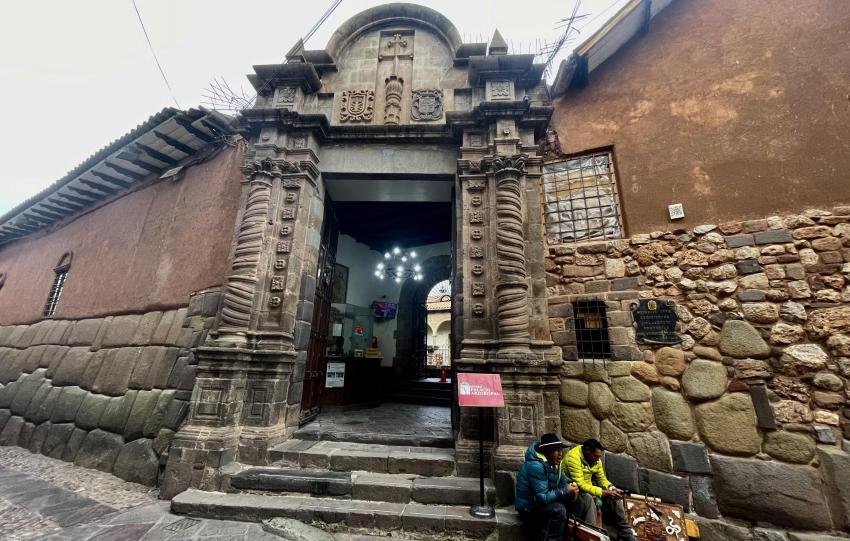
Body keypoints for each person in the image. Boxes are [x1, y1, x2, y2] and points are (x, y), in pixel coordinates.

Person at [515, 433, 592, 541]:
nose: (560, 454)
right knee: (558, 510)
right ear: (546, 451)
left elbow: (564, 483)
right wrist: (565, 491)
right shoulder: (536, 466)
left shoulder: (555, 463)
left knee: (581, 500)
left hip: (545, 503)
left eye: (561, 450)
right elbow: (541, 498)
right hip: (528, 508)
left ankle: (571, 536)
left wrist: (572, 492)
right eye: (556, 450)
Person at [562, 438, 635, 541]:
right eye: (596, 456)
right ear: (587, 451)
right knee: (588, 498)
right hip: (573, 491)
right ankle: (592, 535)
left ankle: (626, 534)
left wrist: (611, 488)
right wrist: (603, 492)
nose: (598, 459)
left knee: (615, 498)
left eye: (599, 457)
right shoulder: (573, 458)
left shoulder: (596, 460)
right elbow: (580, 485)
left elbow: (602, 479)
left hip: (589, 488)